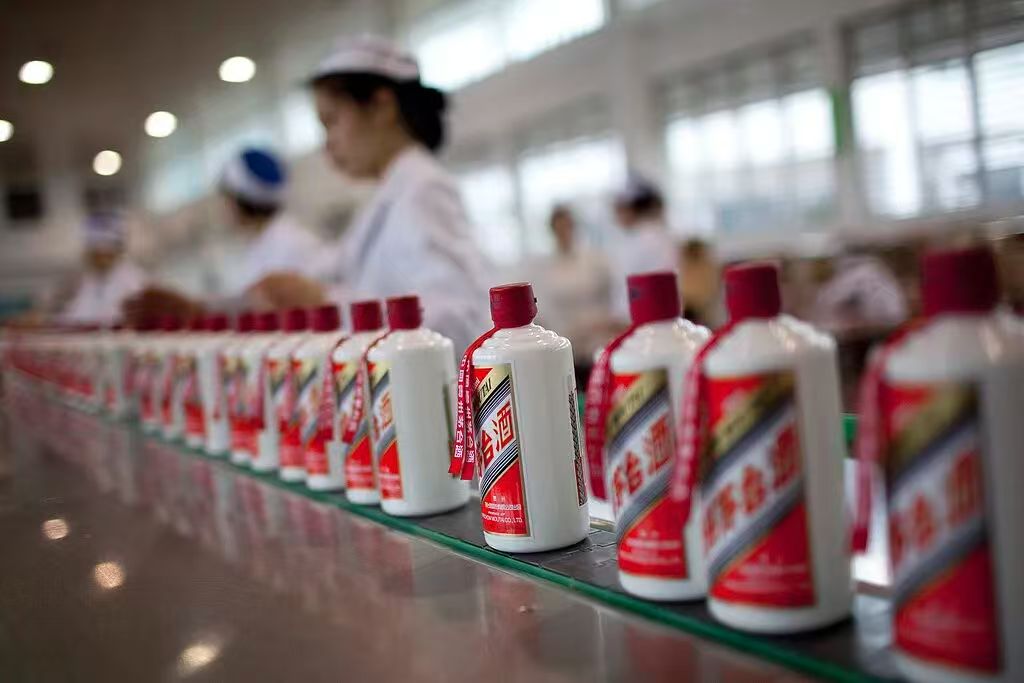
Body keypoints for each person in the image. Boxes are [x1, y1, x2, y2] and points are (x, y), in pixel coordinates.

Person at [247, 35, 490, 353]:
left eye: (332, 121)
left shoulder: (423, 189)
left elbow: (455, 317)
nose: (327, 143)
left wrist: (327, 301)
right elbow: (345, 274)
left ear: (381, 107)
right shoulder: (390, 195)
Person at [123, 147, 325, 322]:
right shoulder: (265, 242)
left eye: (224, 197)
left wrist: (195, 309)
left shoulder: (290, 243)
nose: (222, 207)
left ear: (238, 200)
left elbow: (270, 309)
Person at [530, 205, 616, 384]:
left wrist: (603, 323)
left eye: (567, 226)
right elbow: (543, 308)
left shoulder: (594, 260)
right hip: (565, 341)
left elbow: (609, 298)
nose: (564, 232)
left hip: (595, 339)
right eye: (559, 227)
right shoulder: (544, 268)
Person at [608, 175, 678, 323]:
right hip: (659, 318)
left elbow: (630, 294)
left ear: (629, 209)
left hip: (644, 320)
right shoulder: (659, 235)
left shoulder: (641, 241)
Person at [59, 212, 146, 326]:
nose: (99, 258)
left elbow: (117, 320)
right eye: (94, 252)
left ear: (117, 251)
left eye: (104, 252)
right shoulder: (88, 280)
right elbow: (74, 317)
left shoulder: (134, 281)